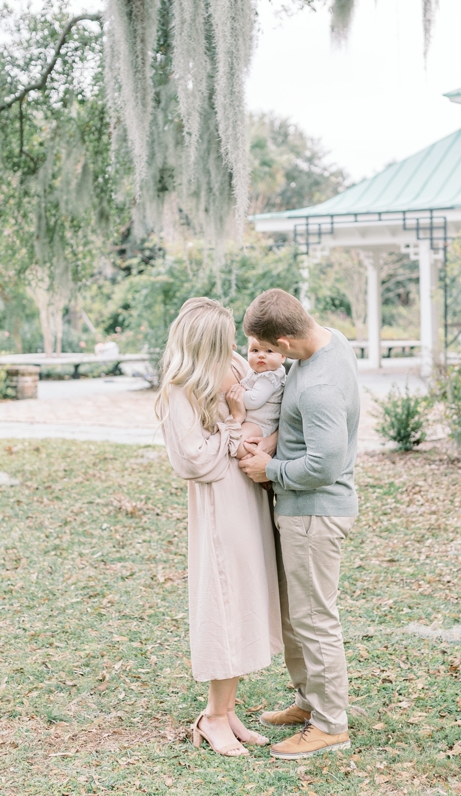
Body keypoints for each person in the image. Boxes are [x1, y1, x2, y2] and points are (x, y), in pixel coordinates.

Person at [236, 288, 361, 761]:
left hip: (315, 512)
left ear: (283, 343)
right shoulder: (330, 342)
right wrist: (272, 441)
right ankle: (310, 702)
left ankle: (330, 725)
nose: (259, 356)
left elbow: (324, 465)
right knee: (296, 616)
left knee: (313, 620)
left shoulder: (320, 386)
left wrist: (271, 470)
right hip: (301, 511)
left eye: (264, 347)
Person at [156, 297, 281, 757]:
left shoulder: (232, 363)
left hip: (247, 492)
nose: (234, 343)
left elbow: (261, 409)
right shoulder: (180, 386)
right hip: (218, 502)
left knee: (245, 595)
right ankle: (211, 717)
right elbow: (192, 460)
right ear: (203, 341)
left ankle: (227, 711)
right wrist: (232, 428)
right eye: (224, 334)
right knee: (226, 600)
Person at [238, 336, 288, 453]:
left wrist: (237, 394)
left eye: (269, 351)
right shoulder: (257, 372)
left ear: (282, 356)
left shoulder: (270, 377)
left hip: (260, 423)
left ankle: (256, 452)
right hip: (253, 420)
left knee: (239, 445)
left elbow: (254, 400)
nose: (261, 355)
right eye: (255, 350)